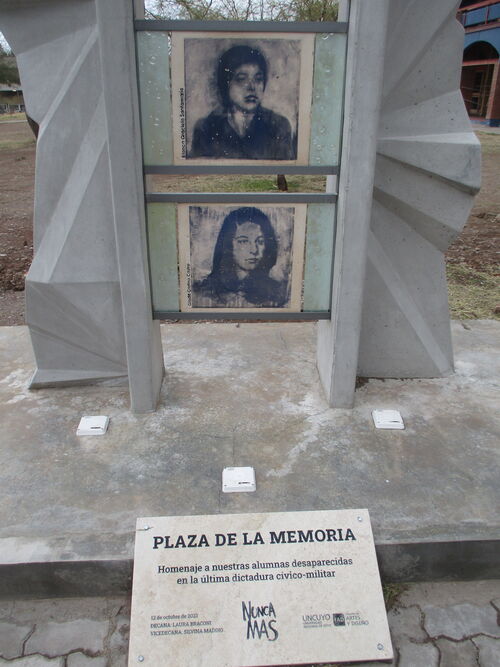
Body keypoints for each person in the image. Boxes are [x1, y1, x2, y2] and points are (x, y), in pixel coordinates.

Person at [189, 45, 296, 160]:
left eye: (258, 79)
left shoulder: (278, 126)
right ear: (226, 84)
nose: (252, 87)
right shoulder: (207, 128)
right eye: (241, 79)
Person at [193, 207, 289, 308]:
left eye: (260, 242)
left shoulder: (276, 292)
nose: (254, 250)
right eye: (243, 241)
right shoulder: (206, 291)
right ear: (228, 244)